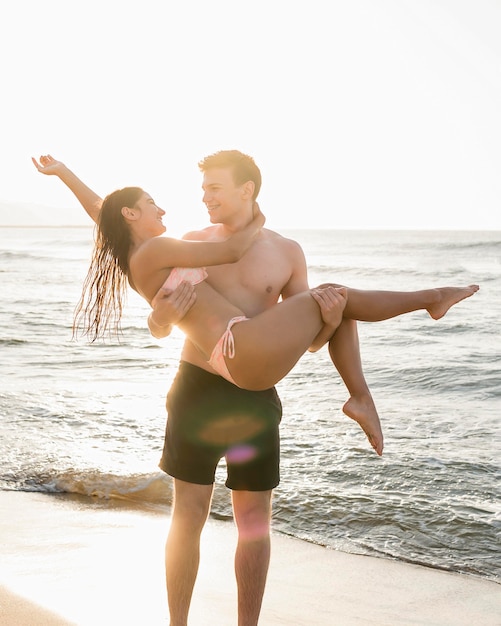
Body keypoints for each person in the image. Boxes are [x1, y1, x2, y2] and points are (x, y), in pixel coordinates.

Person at [33, 152, 478, 626]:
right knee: (187, 518)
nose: (197, 199)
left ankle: (362, 393)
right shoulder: (181, 244)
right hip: (203, 384)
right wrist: (159, 318)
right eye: (194, 191)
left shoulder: (283, 252)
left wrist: (325, 322)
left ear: (246, 189)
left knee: (333, 302)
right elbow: (119, 219)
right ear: (133, 215)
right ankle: (419, 313)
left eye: (213, 188)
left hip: (254, 383)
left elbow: (309, 342)